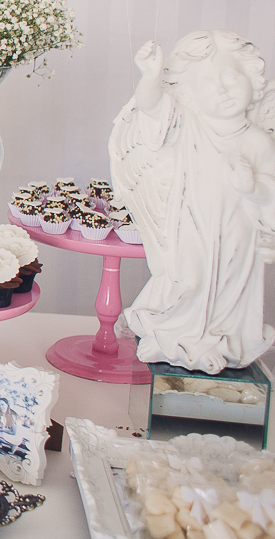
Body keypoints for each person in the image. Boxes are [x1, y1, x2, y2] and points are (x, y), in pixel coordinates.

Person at [113, 32, 275, 373]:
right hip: (190, 224)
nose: (223, 90)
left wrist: (252, 187)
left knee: (230, 290)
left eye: (231, 77)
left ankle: (220, 341)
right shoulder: (188, 125)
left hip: (238, 233)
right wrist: (151, 76)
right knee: (188, 281)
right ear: (190, 95)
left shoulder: (258, 141)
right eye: (208, 84)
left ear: (252, 79)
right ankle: (176, 336)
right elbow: (151, 106)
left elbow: (270, 192)